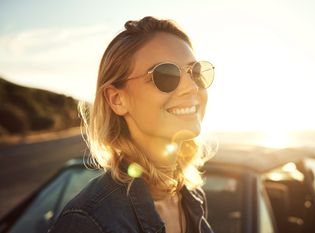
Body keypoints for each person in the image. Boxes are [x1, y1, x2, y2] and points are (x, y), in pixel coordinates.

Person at [48, 16, 215, 233]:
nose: (191, 87)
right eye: (165, 75)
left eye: (196, 72)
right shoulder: (88, 222)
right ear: (117, 99)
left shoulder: (191, 196)